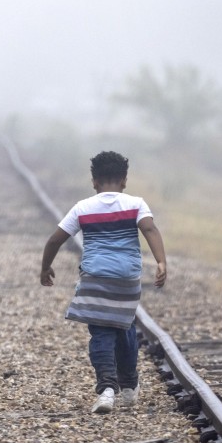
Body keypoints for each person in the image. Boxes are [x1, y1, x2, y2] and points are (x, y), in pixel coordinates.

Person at [41, 151, 167, 414]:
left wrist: (46, 268)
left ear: (94, 181)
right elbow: (150, 229)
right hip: (127, 279)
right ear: (124, 180)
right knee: (125, 327)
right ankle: (130, 385)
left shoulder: (83, 207)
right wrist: (161, 261)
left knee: (100, 331)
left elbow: (54, 240)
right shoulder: (136, 203)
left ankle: (107, 389)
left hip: (95, 278)